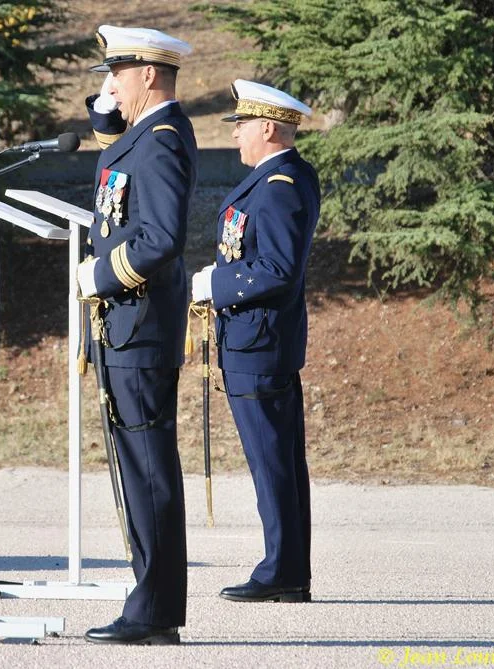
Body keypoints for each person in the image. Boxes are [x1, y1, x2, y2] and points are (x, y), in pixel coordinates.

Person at [76, 25, 198, 645]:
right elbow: (107, 158)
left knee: (149, 470)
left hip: (141, 323)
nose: (111, 83)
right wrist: (105, 101)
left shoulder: (164, 139)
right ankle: (150, 600)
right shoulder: (143, 136)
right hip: (127, 327)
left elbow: (161, 238)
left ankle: (153, 610)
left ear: (148, 75)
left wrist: (101, 274)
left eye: (118, 72)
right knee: (139, 468)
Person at [191, 80, 320, 603]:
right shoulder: (277, 180)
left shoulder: (280, 186)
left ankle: (279, 570)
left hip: (258, 343)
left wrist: (213, 285)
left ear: (268, 128)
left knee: (272, 461)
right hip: (258, 340)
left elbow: (278, 270)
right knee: (279, 460)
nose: (238, 134)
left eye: (242, 125)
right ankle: (288, 570)